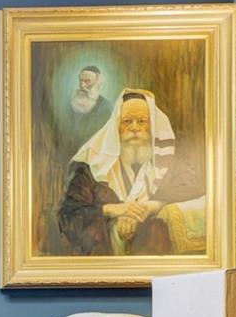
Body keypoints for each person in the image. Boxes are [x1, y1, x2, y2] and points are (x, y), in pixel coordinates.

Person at [55, 90, 206, 255]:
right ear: (116, 126)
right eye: (127, 121)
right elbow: (67, 217)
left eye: (142, 121)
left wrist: (149, 207)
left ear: (153, 126)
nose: (135, 128)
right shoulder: (90, 164)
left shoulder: (172, 161)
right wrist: (113, 210)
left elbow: (193, 193)